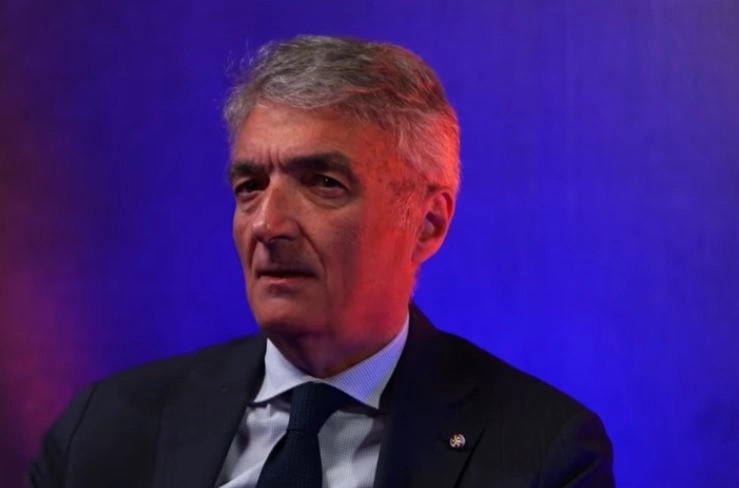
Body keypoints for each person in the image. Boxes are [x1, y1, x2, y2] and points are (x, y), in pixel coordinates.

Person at [28, 35, 614, 487]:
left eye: (324, 183)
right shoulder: (103, 431)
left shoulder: (541, 453)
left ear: (428, 223)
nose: (268, 225)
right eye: (250, 186)